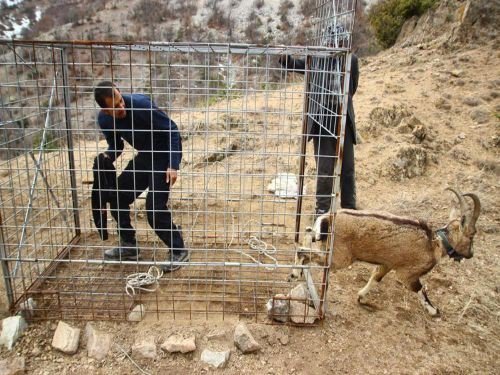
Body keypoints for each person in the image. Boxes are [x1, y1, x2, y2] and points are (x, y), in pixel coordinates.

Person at [94, 81, 188, 272]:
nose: (121, 107)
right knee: (117, 195)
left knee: (154, 207)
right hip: (146, 155)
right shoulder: (104, 120)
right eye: (115, 107)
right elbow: (116, 146)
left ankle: (178, 250)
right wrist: (106, 157)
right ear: (105, 110)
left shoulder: (140, 105)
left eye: (121, 101)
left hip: (163, 155)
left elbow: (172, 129)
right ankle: (129, 245)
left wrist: (173, 165)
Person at [279, 25, 359, 214]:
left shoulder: (351, 60)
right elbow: (292, 64)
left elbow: (352, 87)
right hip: (322, 121)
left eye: (339, 41)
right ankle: (321, 214)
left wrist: (340, 107)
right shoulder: (316, 58)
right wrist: (284, 55)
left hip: (343, 120)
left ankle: (350, 212)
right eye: (332, 41)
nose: (335, 44)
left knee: (347, 169)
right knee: (324, 170)